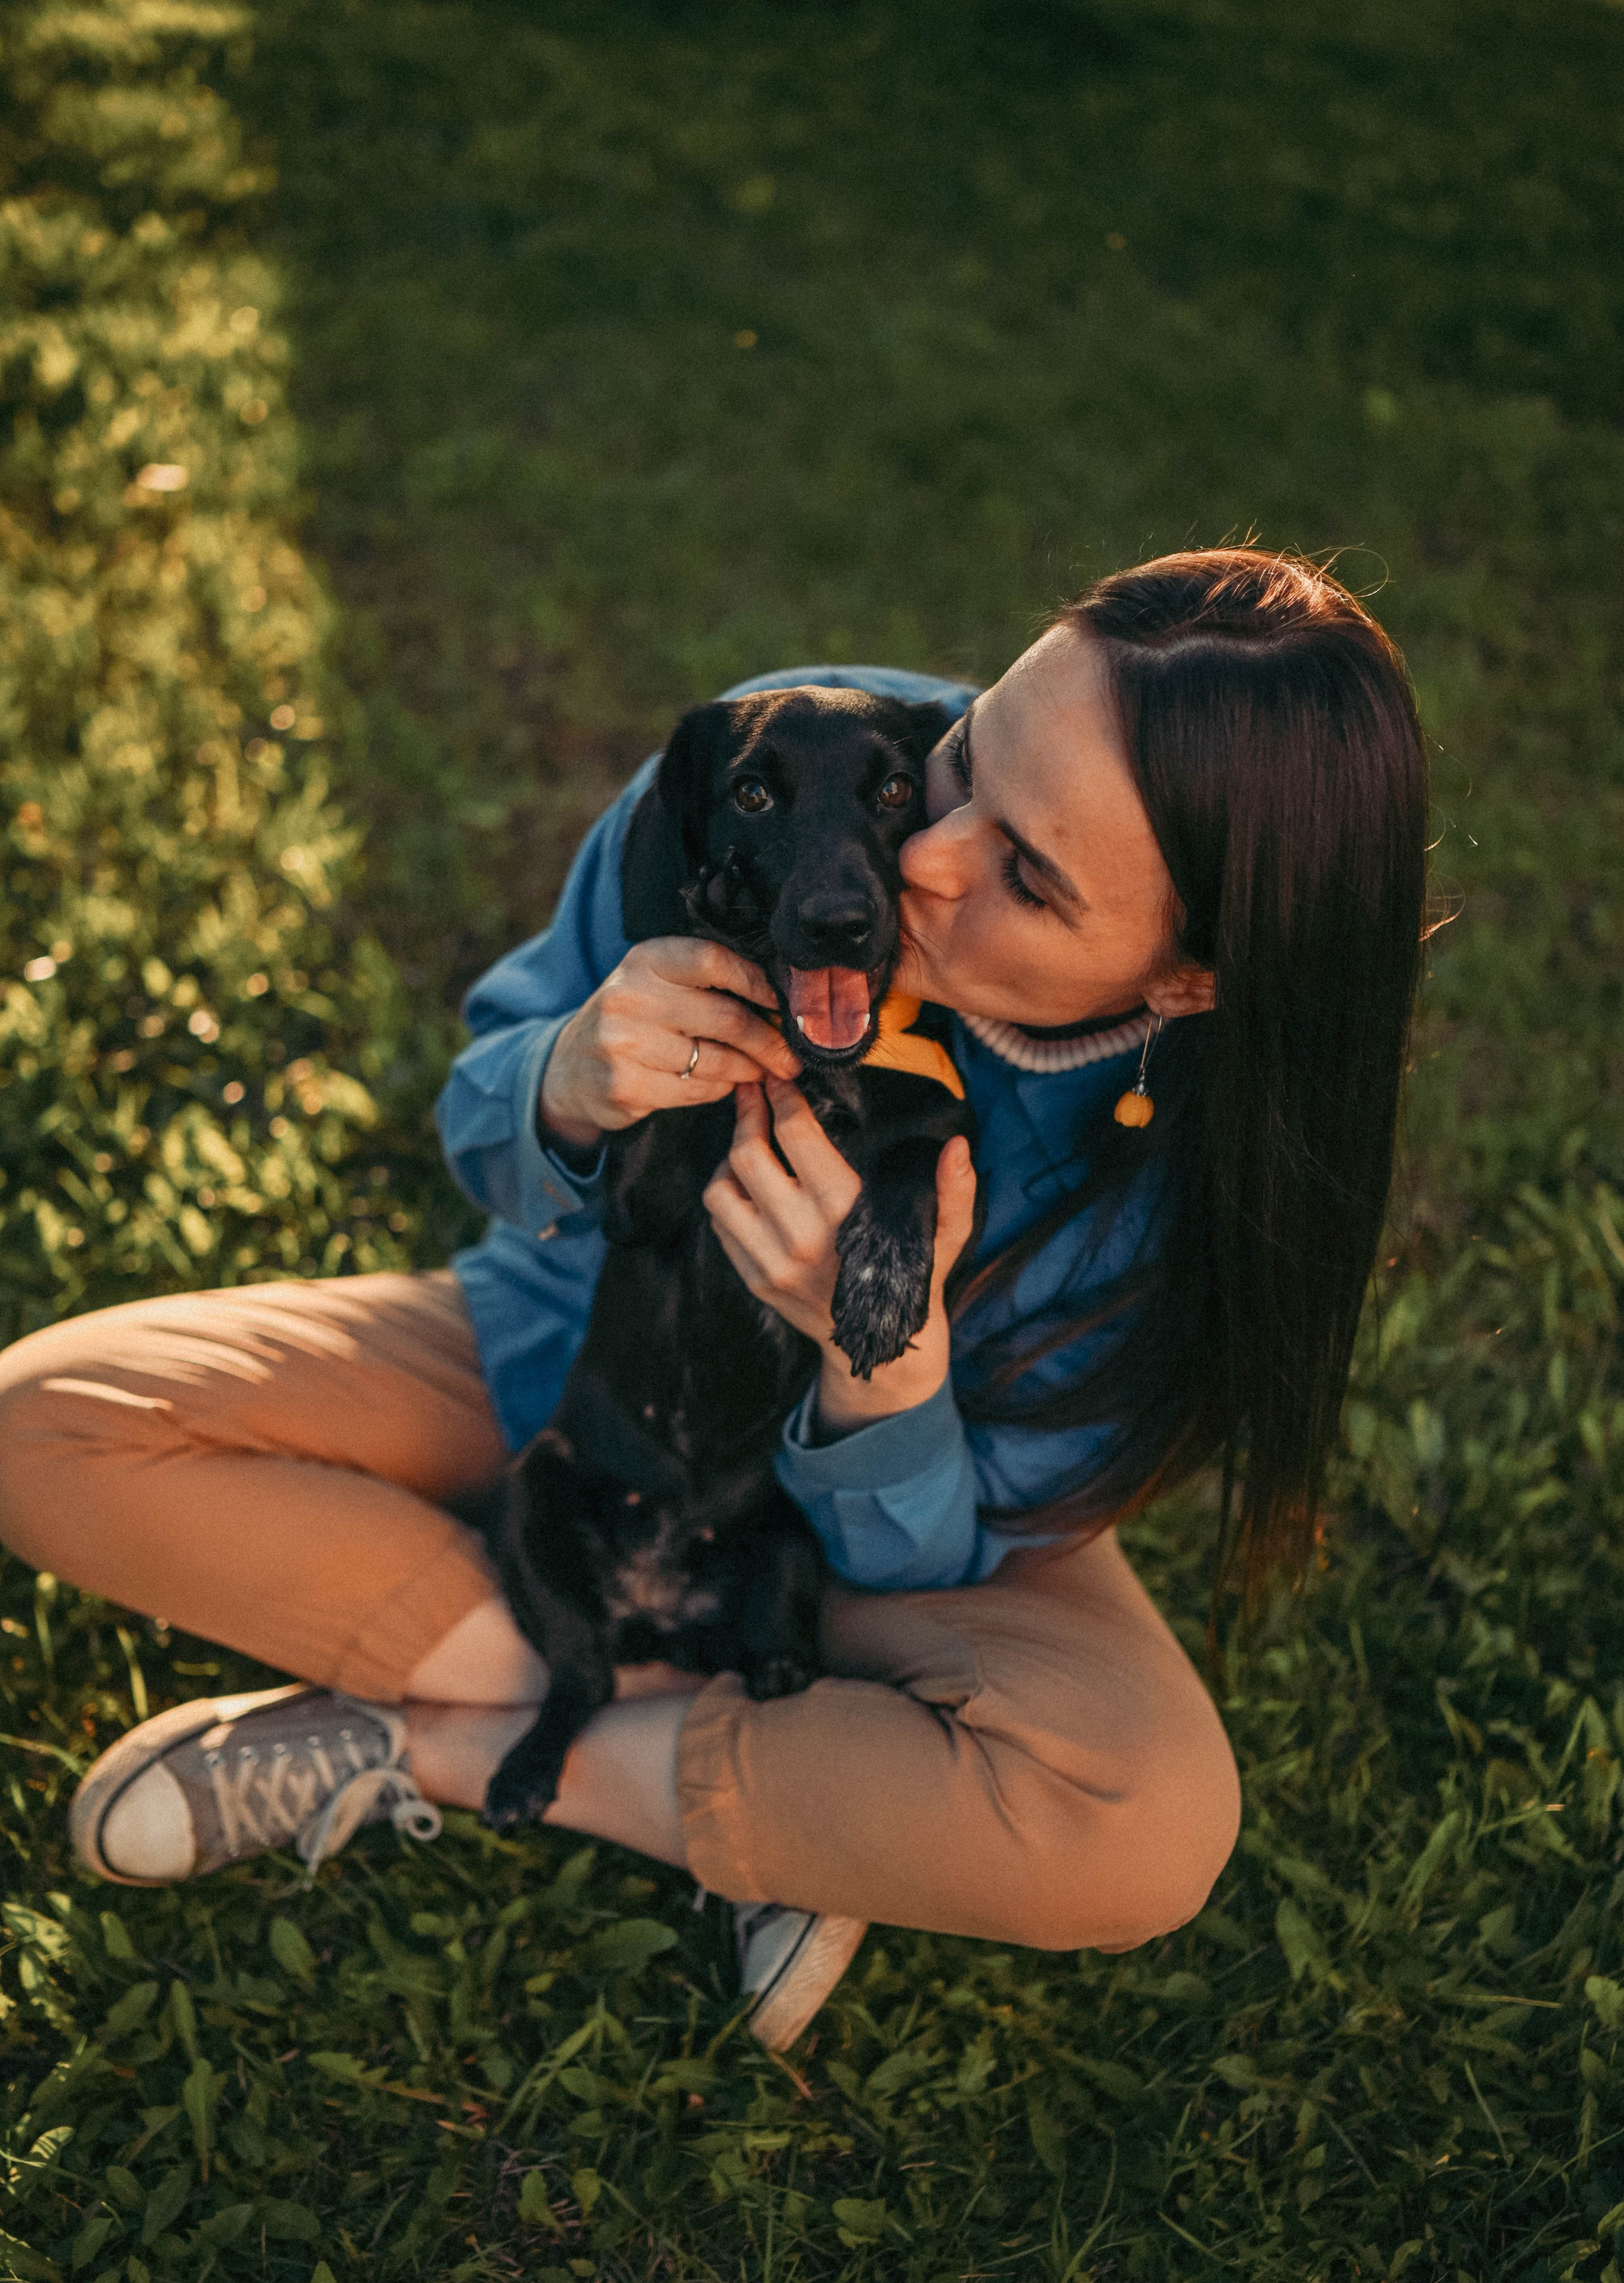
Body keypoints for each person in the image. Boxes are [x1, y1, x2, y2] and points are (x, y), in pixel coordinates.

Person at [0, 548, 1429, 2050]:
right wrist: (564, 1079)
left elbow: (965, 1539)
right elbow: (492, 1116)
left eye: (1030, 877)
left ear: (1188, 976)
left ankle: (428, 1746)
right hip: (580, 1371)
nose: (919, 862)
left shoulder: (1205, 1176)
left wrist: (875, 1364)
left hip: (898, 1549)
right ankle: (816, 1792)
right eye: (962, 766)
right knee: (44, 1425)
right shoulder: (773, 765)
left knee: (1146, 1819)